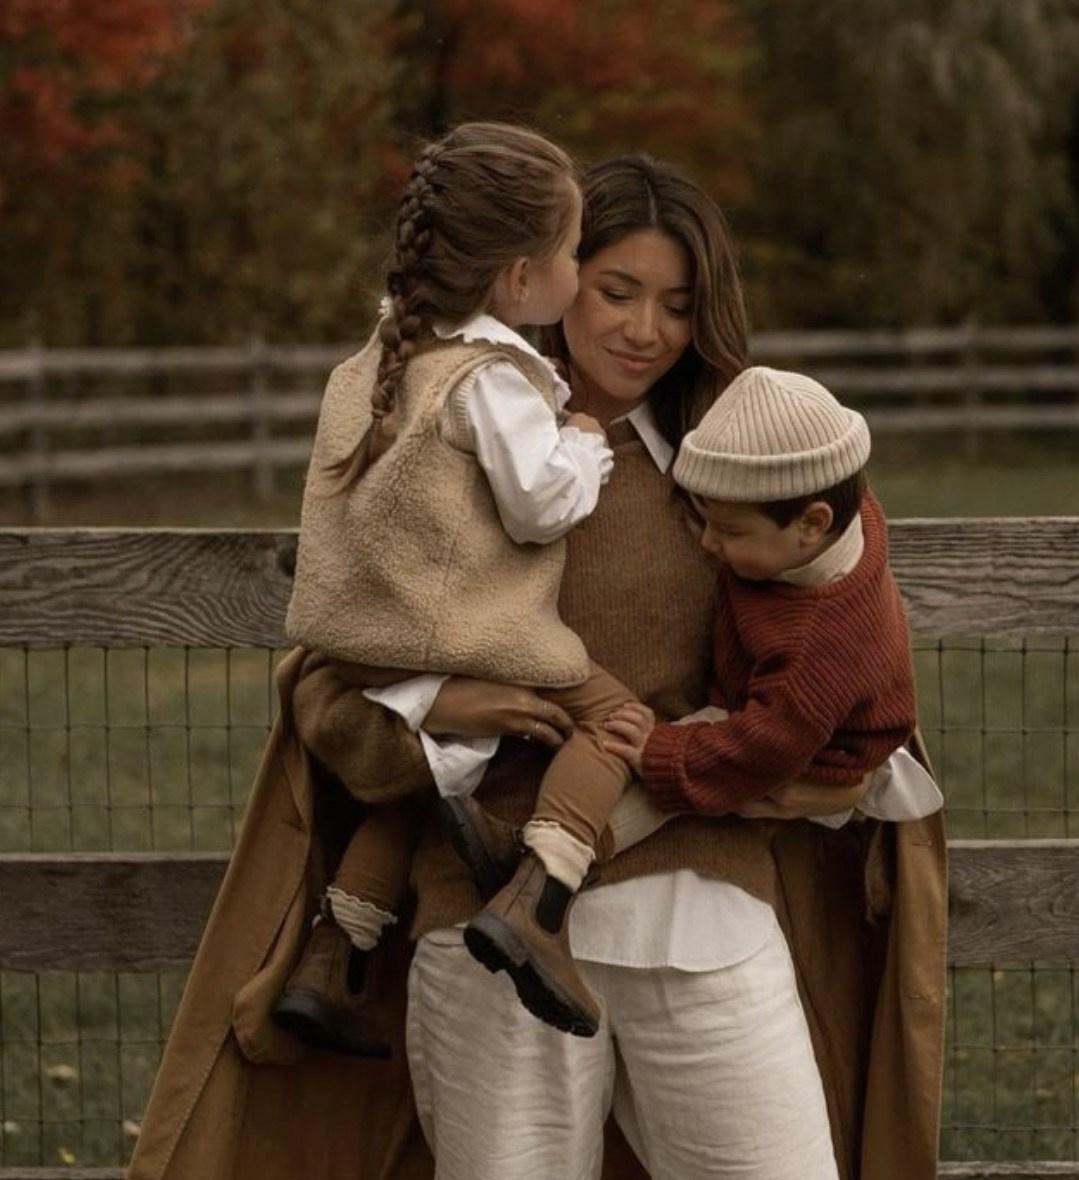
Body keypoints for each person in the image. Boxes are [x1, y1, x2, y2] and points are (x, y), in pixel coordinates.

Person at [125, 151, 947, 1180]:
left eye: (678, 305)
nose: (643, 329)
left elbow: (848, 674)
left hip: (699, 907)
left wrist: (769, 771)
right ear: (547, 277)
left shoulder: (755, 470)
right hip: (478, 922)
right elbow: (329, 694)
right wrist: (444, 707)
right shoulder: (437, 429)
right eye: (616, 289)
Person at [276, 118, 642, 1052]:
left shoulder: (378, 359)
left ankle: (339, 947)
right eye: (570, 252)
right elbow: (540, 507)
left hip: (363, 644)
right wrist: (587, 442)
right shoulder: (495, 379)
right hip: (451, 639)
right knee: (617, 722)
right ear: (520, 277)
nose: (576, 267)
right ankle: (542, 896)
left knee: (414, 794)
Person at [600, 365, 943, 839]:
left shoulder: (820, 645)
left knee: (640, 787)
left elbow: (762, 747)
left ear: (811, 523)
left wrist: (660, 750)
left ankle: (566, 862)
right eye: (705, 522)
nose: (708, 543)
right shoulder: (836, 508)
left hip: (806, 753)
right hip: (781, 717)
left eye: (731, 531)